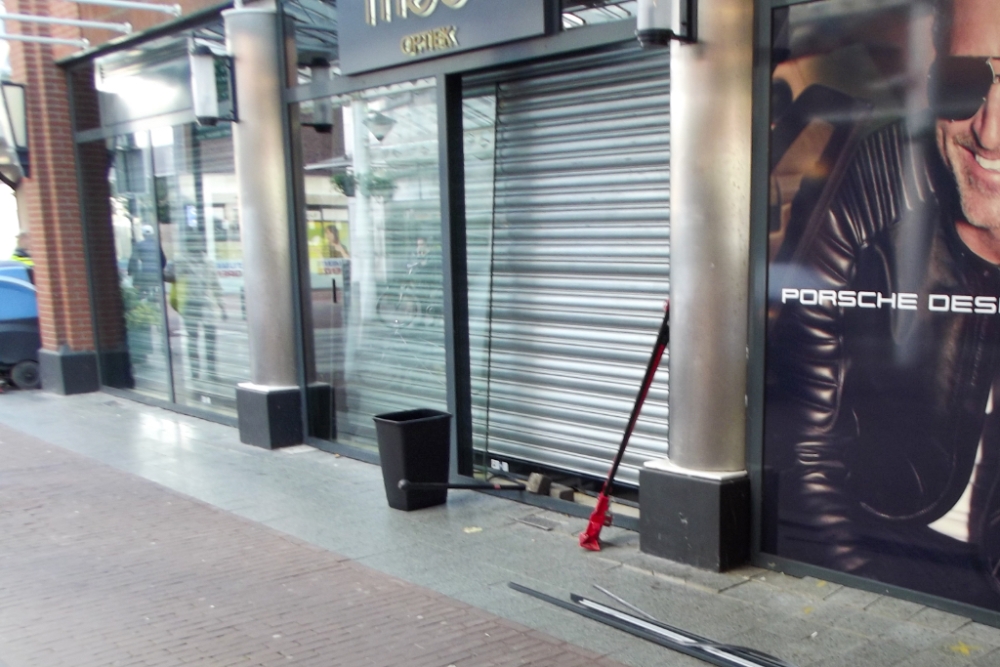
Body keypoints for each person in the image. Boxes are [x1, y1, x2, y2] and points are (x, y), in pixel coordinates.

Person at [767, 0, 1000, 610]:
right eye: (966, 82)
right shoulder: (873, 191)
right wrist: (874, 606)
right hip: (889, 551)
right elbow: (802, 461)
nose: (990, 130)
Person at [173, 248, 226, 381]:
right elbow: (171, 277)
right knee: (193, 339)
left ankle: (211, 371)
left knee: (209, 339)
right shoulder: (181, 261)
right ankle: (195, 372)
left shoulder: (208, 262)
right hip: (190, 304)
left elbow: (215, 285)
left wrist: (221, 306)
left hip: (205, 305)